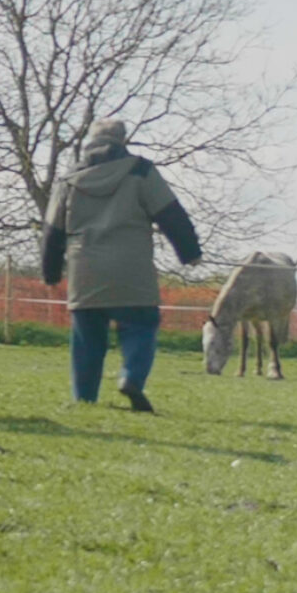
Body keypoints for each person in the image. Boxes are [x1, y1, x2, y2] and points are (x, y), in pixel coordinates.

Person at [40, 119, 201, 413]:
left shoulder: (68, 180)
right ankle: (131, 377)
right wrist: (190, 252)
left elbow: (52, 230)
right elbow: (171, 215)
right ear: (122, 140)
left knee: (87, 337)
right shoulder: (140, 171)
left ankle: (85, 397)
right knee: (141, 326)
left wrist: (50, 272)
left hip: (85, 271)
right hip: (132, 269)